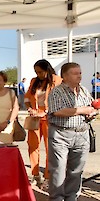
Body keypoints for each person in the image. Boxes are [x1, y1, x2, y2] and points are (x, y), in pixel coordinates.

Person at [47, 62, 95, 201]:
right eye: (75, 73)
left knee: (77, 169)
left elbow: (91, 106)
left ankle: (71, 198)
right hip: (61, 133)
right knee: (59, 168)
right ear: (65, 76)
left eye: (80, 73)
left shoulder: (85, 91)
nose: (79, 75)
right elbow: (57, 111)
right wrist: (82, 110)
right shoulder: (56, 92)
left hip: (82, 134)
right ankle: (57, 198)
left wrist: (92, 112)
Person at [24, 59, 62, 189]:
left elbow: (58, 101)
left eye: (40, 72)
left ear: (47, 69)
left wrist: (45, 112)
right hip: (35, 119)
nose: (38, 74)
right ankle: (35, 175)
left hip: (50, 119)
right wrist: (30, 108)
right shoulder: (34, 81)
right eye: (36, 72)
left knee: (49, 148)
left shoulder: (57, 80)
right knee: (32, 146)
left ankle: (48, 177)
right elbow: (27, 98)